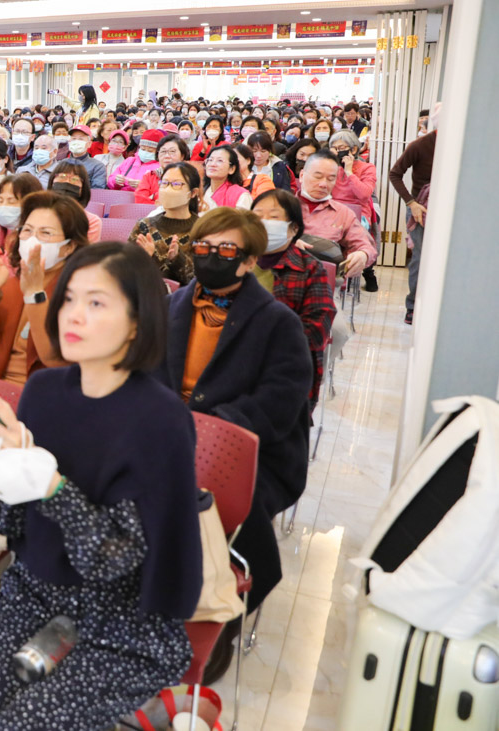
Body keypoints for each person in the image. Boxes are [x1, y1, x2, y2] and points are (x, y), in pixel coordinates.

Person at [0, 241, 201, 730]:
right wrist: (7, 454)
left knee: (20, 723)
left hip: (120, 619)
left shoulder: (162, 420)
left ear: (137, 322)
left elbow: (116, 561)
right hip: (34, 593)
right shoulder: (43, 392)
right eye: (68, 299)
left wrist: (51, 486)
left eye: (97, 302)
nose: (74, 314)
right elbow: (13, 528)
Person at [153, 207, 311, 683]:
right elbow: (146, 377)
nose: (211, 257)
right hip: (172, 437)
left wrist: (207, 433)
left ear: (248, 261)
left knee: (204, 499)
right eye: (203, 247)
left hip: (250, 450)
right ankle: (143, 602)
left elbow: (279, 401)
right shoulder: (171, 306)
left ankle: (213, 614)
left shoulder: (277, 322)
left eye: (225, 250)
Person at [0, 191, 89, 384]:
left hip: (46, 394)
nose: (32, 239)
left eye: (45, 233)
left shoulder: (81, 293)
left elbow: (57, 359)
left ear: (69, 246)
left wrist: (34, 295)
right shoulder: (11, 283)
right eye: (27, 230)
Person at [251, 190, 336, 404]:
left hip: (285, 374)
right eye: (257, 216)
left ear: (294, 228)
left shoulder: (309, 269)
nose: (264, 222)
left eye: (273, 217)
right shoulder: (236, 262)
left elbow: (317, 329)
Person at [297, 151, 377, 281]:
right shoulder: (280, 205)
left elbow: (366, 246)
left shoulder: (343, 213)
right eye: (317, 177)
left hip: (323, 282)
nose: (323, 184)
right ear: (301, 175)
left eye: (330, 179)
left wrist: (363, 255)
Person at [389, 115, 436, 324]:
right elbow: (395, 174)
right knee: (419, 256)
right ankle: (412, 306)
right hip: (420, 208)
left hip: (448, 208)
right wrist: (411, 203)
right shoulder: (420, 145)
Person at [47, 161, 102, 242]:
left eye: (74, 179)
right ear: (52, 181)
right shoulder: (38, 213)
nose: (67, 182)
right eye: (62, 176)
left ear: (83, 188)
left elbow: (86, 249)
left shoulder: (91, 221)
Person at [133, 134, 190, 204]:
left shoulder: (188, 176)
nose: (167, 156)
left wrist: (154, 196)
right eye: (163, 151)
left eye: (172, 151)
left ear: (182, 156)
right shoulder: (150, 176)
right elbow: (140, 200)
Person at [202, 145, 253, 210]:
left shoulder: (241, 195)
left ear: (232, 169)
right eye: (210, 160)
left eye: (220, 160)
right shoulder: (201, 192)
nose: (212, 164)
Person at [57, 125, 108, 189]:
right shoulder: (62, 164)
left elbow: (97, 190)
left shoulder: (97, 166)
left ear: (89, 144)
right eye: (74, 138)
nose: (76, 142)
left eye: (81, 139)